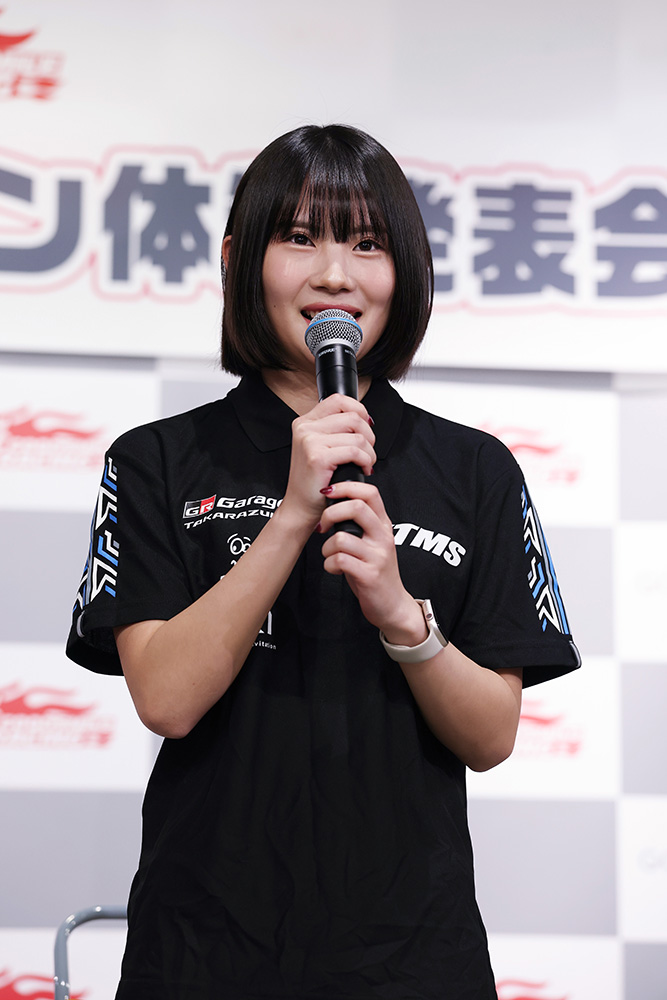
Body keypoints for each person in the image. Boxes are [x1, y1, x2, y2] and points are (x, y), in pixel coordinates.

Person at [66, 124, 581, 1000]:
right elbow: (166, 700)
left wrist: (402, 616)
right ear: (237, 259)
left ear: (405, 271)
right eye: (300, 238)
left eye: (367, 244)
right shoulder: (156, 460)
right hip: (203, 953)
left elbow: (490, 736)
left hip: (411, 958)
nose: (335, 274)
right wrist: (292, 513)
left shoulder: (474, 469)